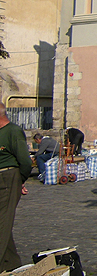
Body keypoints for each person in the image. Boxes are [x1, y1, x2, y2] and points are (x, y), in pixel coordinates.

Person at [0, 102, 32, 271]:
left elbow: (25, 161)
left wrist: (19, 180)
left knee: (2, 223)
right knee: (3, 223)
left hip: (7, 178)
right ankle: (11, 266)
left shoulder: (13, 131)